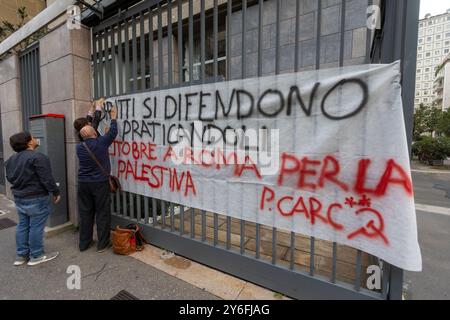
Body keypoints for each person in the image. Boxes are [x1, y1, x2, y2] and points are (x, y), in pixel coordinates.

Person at [5, 132, 61, 266]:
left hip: (19, 197)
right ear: (29, 142)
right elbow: (47, 178)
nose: (36, 139)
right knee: (36, 226)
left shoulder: (11, 160)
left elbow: (10, 178)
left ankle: (22, 255)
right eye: (33, 137)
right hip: (36, 197)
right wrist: (55, 192)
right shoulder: (38, 157)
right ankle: (36, 255)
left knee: (23, 225)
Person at [77, 105, 118, 253]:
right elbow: (113, 132)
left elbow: (89, 133)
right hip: (99, 183)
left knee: (85, 213)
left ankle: (84, 243)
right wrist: (113, 117)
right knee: (102, 213)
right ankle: (102, 244)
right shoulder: (101, 143)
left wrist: (91, 113)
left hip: (83, 183)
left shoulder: (79, 147)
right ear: (95, 132)